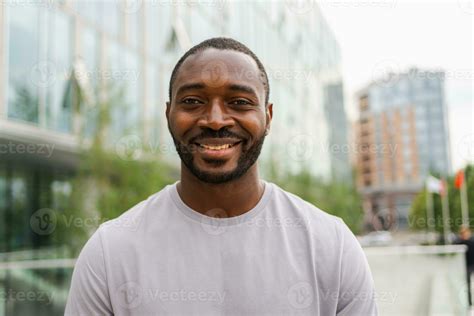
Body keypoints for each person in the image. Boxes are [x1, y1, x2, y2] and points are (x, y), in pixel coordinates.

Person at [65, 37, 378, 315]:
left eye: (239, 102)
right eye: (192, 102)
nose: (215, 120)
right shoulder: (109, 253)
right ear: (168, 115)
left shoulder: (332, 246)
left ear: (267, 117)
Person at [454, 225, 474, 306]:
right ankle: (469, 303)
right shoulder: (460, 243)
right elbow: (454, 243)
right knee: (467, 285)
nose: (464, 234)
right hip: (467, 267)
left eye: (465, 232)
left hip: (472, 265)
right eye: (462, 233)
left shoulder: (472, 241)